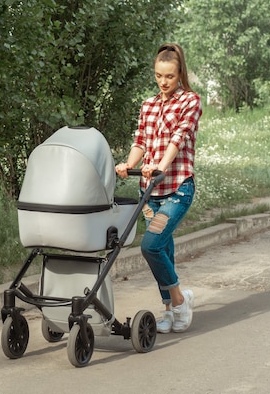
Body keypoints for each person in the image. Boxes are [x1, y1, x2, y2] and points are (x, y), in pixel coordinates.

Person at [115, 43, 202, 333]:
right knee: (164, 249)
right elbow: (140, 141)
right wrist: (128, 164)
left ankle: (179, 300)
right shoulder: (148, 105)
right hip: (149, 193)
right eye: (158, 76)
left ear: (180, 74)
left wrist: (161, 167)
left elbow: (179, 138)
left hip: (177, 188)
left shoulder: (190, 101)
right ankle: (169, 309)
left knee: (151, 246)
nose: (163, 82)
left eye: (169, 76)